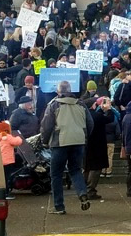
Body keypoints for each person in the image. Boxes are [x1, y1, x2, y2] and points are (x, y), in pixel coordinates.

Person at [40, 81, 94, 214]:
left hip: (60, 143)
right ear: (70, 90)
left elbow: (46, 126)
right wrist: (84, 136)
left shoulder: (54, 105)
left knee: (56, 174)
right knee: (75, 170)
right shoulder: (81, 104)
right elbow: (90, 123)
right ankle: (82, 193)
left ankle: (59, 206)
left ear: (58, 92)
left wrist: (44, 141)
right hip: (78, 141)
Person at [84, 97, 113, 200]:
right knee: (95, 169)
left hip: (87, 145)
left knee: (87, 167)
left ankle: (84, 189)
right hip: (97, 145)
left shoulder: (86, 115)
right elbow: (109, 119)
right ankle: (90, 190)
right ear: (93, 105)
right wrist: (109, 109)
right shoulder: (96, 116)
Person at [0, 121, 23, 198]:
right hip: (8, 161)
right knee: (7, 177)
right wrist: (18, 136)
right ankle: (6, 193)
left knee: (2, 177)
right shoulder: (8, 137)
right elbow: (18, 142)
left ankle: (2, 193)